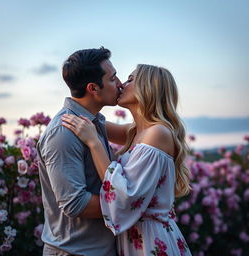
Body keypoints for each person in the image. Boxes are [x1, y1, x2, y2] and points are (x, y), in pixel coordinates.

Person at [62, 64, 192, 256]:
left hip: (150, 241)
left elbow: (125, 197)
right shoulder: (135, 132)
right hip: (135, 239)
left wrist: (94, 142)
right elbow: (90, 117)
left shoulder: (157, 133)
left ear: (148, 88)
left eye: (131, 80)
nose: (121, 84)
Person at [36, 47, 122, 256]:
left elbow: (139, 133)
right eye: (113, 79)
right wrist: (133, 203)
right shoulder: (63, 134)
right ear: (93, 88)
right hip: (75, 251)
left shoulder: (93, 121)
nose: (120, 84)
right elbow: (76, 204)